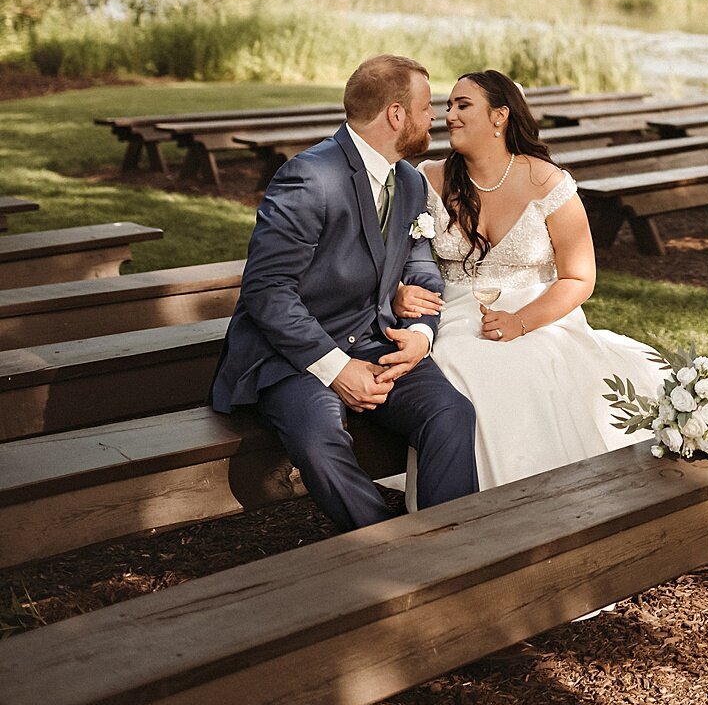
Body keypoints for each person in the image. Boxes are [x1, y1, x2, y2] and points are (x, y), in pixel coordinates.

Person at [211, 53, 479, 529]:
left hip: (377, 341)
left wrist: (420, 333)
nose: (433, 117)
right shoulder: (310, 176)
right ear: (396, 114)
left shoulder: (412, 183)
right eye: (425, 107)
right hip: (294, 354)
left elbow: (422, 272)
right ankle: (387, 551)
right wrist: (337, 370)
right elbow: (267, 290)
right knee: (320, 441)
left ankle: (446, 547)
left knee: (451, 412)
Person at [393, 70, 662, 494]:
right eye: (448, 106)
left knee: (534, 364)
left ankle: (544, 499)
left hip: (540, 312)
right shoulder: (427, 179)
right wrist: (399, 290)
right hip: (455, 312)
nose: (450, 116)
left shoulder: (548, 182)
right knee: (459, 364)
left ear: (500, 117)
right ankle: (467, 502)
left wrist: (520, 322)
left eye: (463, 106)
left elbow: (578, 277)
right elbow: (396, 257)